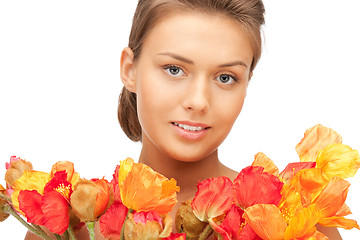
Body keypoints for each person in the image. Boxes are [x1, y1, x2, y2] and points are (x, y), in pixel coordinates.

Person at [24, 0, 343, 239]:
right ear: (129, 70)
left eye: (226, 77)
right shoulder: (65, 223)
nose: (198, 101)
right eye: (174, 70)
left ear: (247, 84)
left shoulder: (298, 220)